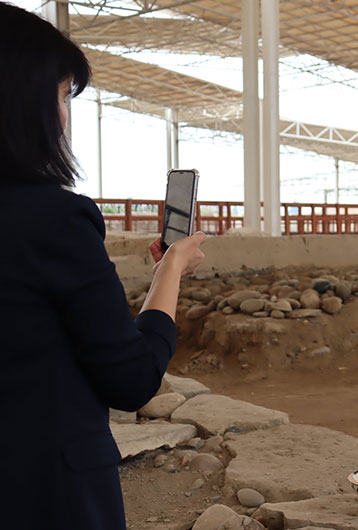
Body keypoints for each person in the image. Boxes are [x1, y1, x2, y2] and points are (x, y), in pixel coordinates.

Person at [0, 3, 206, 528]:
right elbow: (132, 379)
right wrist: (169, 275)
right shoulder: (55, 219)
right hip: (47, 495)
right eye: (63, 94)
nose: (65, 113)